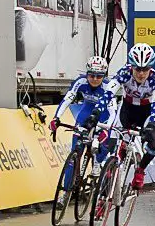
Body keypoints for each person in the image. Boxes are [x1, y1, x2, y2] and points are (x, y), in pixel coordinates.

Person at [89, 43, 155, 189]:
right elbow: (108, 95)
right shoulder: (124, 73)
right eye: (137, 69)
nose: (141, 74)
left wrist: (152, 126)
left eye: (145, 69)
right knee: (116, 144)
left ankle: (141, 170)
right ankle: (110, 174)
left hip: (147, 112)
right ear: (131, 66)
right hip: (127, 109)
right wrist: (96, 113)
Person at [48, 56, 117, 207]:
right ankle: (66, 193)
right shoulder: (80, 82)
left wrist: (107, 129)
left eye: (99, 76)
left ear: (104, 76)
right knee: (74, 156)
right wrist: (56, 118)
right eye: (91, 75)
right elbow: (67, 99)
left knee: (100, 154)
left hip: (103, 119)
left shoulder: (108, 86)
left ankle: (98, 173)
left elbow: (113, 112)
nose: (94, 79)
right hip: (85, 116)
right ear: (86, 74)